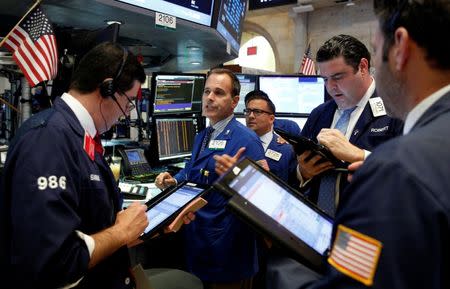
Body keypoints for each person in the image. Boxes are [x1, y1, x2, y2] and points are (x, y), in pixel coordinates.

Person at [0, 42, 195, 289]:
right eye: (128, 101)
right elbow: (55, 262)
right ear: (107, 88)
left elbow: (93, 228)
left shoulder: (80, 137)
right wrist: (121, 231)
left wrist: (151, 225)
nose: (126, 113)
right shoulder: (48, 139)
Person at [155, 68, 265, 289]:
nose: (210, 98)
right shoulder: (203, 135)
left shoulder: (247, 140)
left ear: (234, 102)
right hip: (201, 240)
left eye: (218, 92)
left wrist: (238, 176)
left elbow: (263, 198)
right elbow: (191, 170)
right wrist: (174, 181)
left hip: (228, 248)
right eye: (207, 92)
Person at [297, 34, 403, 217]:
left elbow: (411, 175)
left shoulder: (396, 109)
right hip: (315, 226)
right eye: (324, 79)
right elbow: (295, 169)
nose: (330, 87)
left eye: (337, 77)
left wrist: (361, 156)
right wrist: (303, 172)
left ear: (362, 67)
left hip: (368, 226)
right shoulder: (319, 114)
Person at [244, 90, 298, 185]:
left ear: (271, 119)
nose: (251, 116)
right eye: (248, 111)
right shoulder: (237, 144)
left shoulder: (287, 151)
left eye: (257, 112)